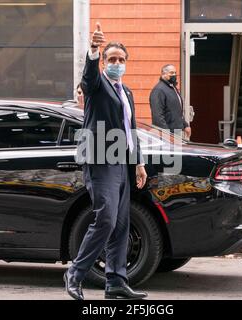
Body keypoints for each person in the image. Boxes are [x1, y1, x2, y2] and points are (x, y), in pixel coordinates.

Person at [63, 22, 148, 300]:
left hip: (121, 162)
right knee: (107, 218)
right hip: (100, 159)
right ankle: (75, 273)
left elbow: (130, 128)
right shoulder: (98, 84)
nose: (117, 64)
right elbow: (87, 78)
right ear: (104, 62)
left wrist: (138, 163)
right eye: (111, 59)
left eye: (121, 60)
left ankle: (115, 281)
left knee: (121, 223)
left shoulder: (128, 93)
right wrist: (93, 49)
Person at [149, 64, 191, 139]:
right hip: (167, 135)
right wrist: (167, 134)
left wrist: (185, 125)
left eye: (175, 73)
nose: (174, 75)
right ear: (163, 74)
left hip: (176, 132)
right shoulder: (159, 90)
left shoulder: (172, 88)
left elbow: (176, 111)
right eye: (171, 73)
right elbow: (157, 116)